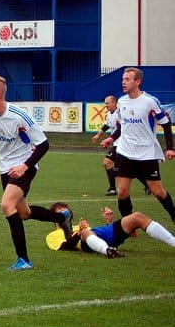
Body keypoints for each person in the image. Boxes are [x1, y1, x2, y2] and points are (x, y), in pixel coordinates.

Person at [0, 74, 72, 270]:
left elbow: (43, 144)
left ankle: (24, 260)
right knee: (24, 213)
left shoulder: (19, 116)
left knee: (6, 205)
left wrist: (25, 166)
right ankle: (61, 218)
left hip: (24, 167)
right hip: (6, 169)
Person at [100, 67, 175, 222]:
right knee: (122, 192)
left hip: (147, 153)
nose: (123, 82)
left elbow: (166, 124)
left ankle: (174, 216)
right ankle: (129, 225)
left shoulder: (150, 101)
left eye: (127, 79)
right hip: (125, 152)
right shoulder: (121, 101)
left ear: (138, 81)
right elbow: (123, 125)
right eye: (123, 79)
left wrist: (170, 148)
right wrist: (111, 138)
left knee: (157, 191)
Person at [46, 203, 175, 257]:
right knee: (86, 232)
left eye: (65, 208)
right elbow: (64, 247)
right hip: (87, 242)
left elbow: (99, 235)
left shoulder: (77, 226)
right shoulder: (53, 235)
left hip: (100, 233)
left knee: (137, 217)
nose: (65, 211)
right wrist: (79, 234)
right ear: (54, 217)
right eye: (60, 210)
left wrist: (109, 223)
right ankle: (108, 251)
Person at [92, 95, 150, 197]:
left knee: (107, 163)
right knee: (125, 168)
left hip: (122, 144)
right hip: (117, 144)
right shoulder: (111, 114)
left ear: (114, 103)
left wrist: (110, 139)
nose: (106, 105)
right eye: (105, 103)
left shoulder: (120, 113)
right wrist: (98, 135)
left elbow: (121, 127)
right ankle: (147, 185)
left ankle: (113, 189)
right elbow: (107, 125)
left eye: (108, 103)